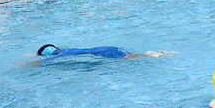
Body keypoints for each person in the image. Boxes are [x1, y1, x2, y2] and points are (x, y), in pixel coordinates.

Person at [34, 44, 174, 60]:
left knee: (126, 58)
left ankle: (152, 53)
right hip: (102, 48)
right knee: (126, 55)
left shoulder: (60, 55)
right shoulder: (65, 50)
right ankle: (154, 52)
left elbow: (37, 62)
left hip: (99, 54)